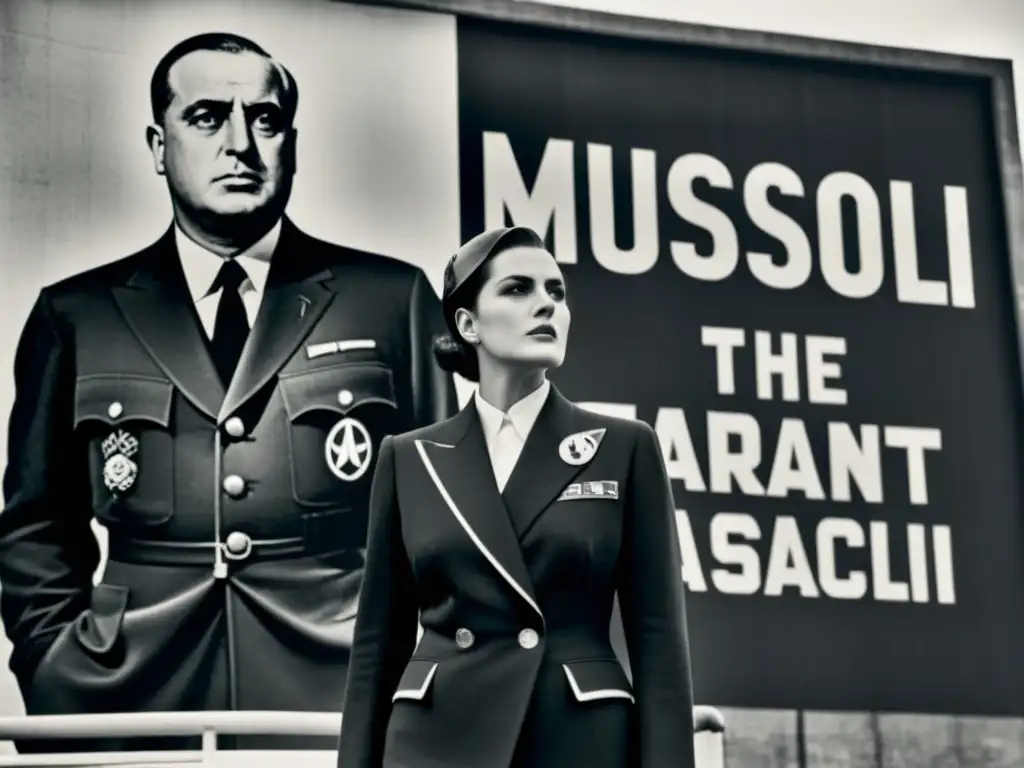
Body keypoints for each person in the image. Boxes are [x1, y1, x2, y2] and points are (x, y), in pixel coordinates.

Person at [0, 32, 456, 753]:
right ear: (158, 145)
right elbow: (36, 528)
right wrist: (52, 662)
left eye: (266, 120)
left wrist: (417, 680)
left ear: (293, 144)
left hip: (334, 702)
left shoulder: (389, 300)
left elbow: (447, 519)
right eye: (208, 117)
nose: (241, 143)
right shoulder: (77, 315)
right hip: (131, 702)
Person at [336, 225, 697, 768]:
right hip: (435, 741)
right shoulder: (409, 458)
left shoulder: (624, 447)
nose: (546, 305)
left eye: (556, 292)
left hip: (576, 739)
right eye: (518, 289)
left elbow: (660, 644)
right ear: (467, 323)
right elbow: (376, 651)